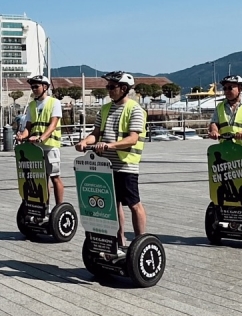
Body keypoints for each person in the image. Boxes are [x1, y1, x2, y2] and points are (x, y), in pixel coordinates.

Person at [75, 71, 147, 250]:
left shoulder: (135, 109)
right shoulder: (105, 109)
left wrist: (109, 146)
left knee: (134, 204)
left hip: (126, 164)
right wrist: (85, 141)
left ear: (124, 89)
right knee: (113, 205)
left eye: (111, 87)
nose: (108, 90)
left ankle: (141, 243)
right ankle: (119, 240)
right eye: (107, 87)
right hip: (106, 166)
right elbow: (96, 134)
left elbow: (132, 139)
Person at [208, 74, 242, 206]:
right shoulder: (220, 106)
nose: (227, 91)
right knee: (222, 180)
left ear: (240, 89)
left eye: (230, 88)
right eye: (225, 88)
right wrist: (214, 131)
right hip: (225, 148)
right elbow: (214, 122)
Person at [16, 75, 64, 205]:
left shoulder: (55, 102)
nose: (34, 89)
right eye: (32, 87)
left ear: (45, 87)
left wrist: (41, 138)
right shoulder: (32, 105)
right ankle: (45, 206)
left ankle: (59, 208)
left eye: (36, 86)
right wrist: (22, 136)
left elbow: (53, 125)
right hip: (35, 149)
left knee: (55, 177)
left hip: (50, 146)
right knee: (42, 179)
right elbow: (28, 128)